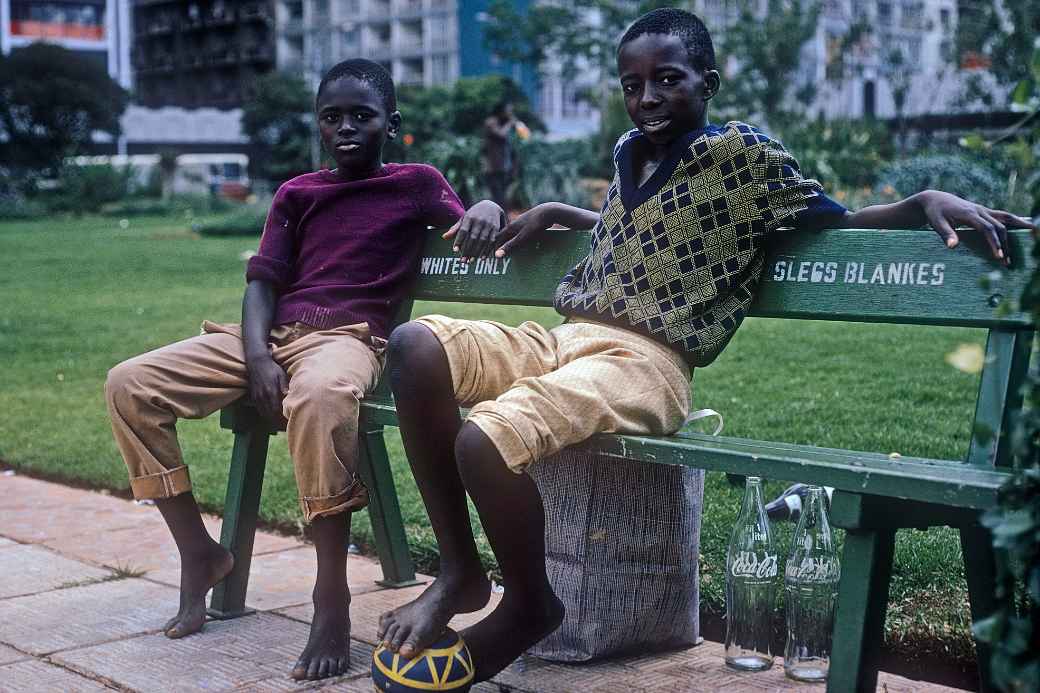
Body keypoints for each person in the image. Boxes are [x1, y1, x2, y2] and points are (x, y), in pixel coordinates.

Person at [375, 7, 1034, 683]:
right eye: (633, 85)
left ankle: (530, 605)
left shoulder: (743, 159)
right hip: (567, 338)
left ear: (707, 82)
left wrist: (923, 198)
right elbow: (637, 229)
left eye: (667, 79)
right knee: (415, 344)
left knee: (484, 439)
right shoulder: (631, 155)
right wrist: (550, 214)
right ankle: (459, 571)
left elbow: (833, 218)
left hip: (646, 362)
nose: (648, 97)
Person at [104, 59, 464, 681]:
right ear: (319, 126)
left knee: (321, 399)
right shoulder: (297, 193)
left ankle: (330, 595)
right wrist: (257, 356)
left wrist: (482, 204)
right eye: (332, 117)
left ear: (392, 124)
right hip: (270, 339)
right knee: (129, 384)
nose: (345, 127)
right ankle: (198, 551)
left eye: (362, 116)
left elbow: (473, 230)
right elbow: (261, 284)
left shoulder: (416, 183)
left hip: (348, 339)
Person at [482, 100, 518, 210]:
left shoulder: (504, 124)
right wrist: (510, 123)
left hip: (504, 166)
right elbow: (501, 134)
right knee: (498, 196)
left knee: (504, 195)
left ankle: (503, 220)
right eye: (508, 111)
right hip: (493, 166)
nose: (510, 113)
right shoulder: (491, 122)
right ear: (501, 111)